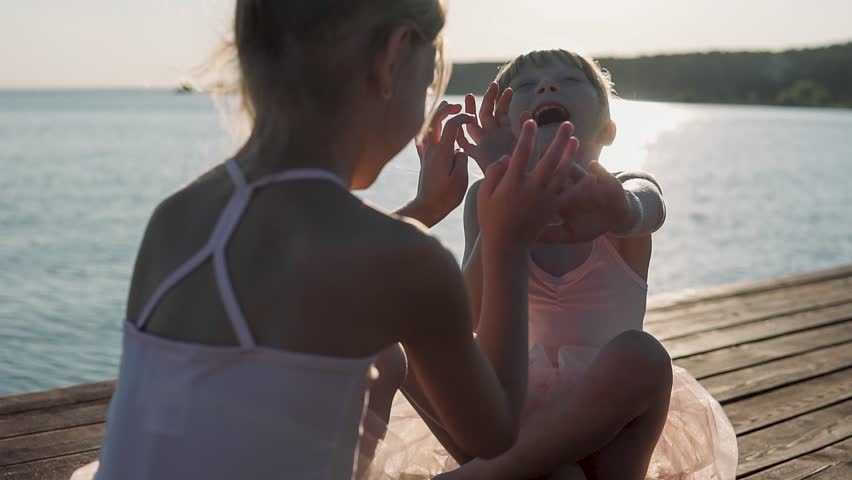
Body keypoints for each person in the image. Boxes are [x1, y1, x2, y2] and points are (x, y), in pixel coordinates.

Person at [70, 3, 590, 479]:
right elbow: (494, 432)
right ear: (392, 58)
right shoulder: (409, 263)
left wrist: (425, 211)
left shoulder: (176, 218)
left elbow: (299, 272)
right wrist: (507, 240)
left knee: (385, 357)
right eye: (432, 73)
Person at [402, 50, 738, 479]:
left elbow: (648, 206)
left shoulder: (615, 193)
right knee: (403, 341)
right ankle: (516, 469)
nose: (546, 86)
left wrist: (622, 211)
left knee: (644, 354)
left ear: (609, 131)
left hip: (611, 427)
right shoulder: (483, 199)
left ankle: (489, 474)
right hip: (505, 418)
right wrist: (503, 193)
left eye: (571, 80)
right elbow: (466, 315)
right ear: (501, 125)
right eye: (524, 86)